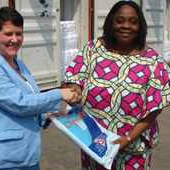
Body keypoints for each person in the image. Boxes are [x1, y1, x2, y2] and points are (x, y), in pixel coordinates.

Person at [64, 1, 170, 169]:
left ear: (140, 26)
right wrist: (74, 90)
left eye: (132, 21)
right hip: (95, 144)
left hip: (132, 147)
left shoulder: (154, 62)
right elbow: (75, 78)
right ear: (111, 23)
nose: (126, 26)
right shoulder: (92, 49)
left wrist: (128, 139)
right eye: (120, 20)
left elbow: (154, 108)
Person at [0, 7, 78, 170]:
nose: (14, 39)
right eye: (8, 34)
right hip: (2, 158)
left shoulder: (18, 64)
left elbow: (29, 99)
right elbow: (18, 103)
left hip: (26, 155)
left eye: (18, 33)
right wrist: (59, 93)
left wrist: (47, 116)